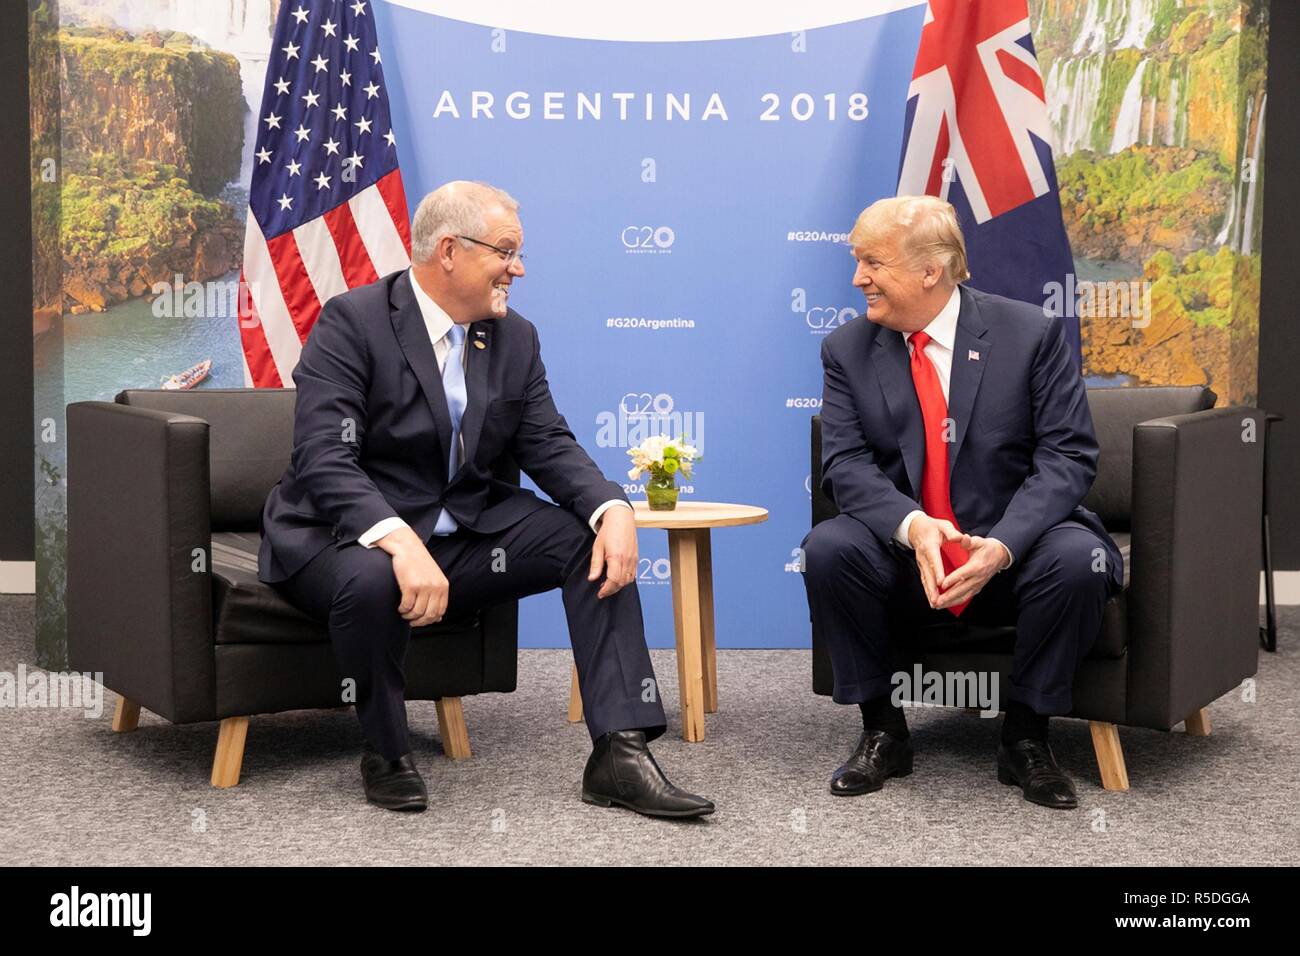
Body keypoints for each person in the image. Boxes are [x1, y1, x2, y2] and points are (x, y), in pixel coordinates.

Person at [258, 180, 713, 818]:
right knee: (370, 580)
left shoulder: (513, 337)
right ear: (449, 250)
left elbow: (547, 442)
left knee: (589, 543)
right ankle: (386, 752)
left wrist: (612, 508)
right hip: (339, 537)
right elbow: (324, 459)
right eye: (506, 251)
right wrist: (398, 540)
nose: (518, 268)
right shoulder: (353, 322)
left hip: (464, 535)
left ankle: (619, 751)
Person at [801, 195, 1122, 809]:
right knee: (829, 548)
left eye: (872, 262)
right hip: (908, 552)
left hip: (1014, 543)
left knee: (1080, 561)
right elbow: (843, 463)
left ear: (931, 269)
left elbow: (1068, 457)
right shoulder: (847, 350)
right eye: (856, 260)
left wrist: (1001, 545)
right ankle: (883, 731)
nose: (857, 278)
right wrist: (913, 525)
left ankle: (1026, 736)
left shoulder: (1029, 334)